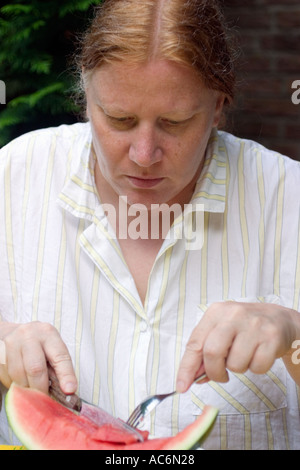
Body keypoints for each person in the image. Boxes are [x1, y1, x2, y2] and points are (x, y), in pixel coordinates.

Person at [0, 0, 299, 450]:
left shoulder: (287, 197)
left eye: (175, 123)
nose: (144, 153)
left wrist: (293, 333)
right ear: (85, 98)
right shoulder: (14, 175)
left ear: (219, 107)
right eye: (119, 119)